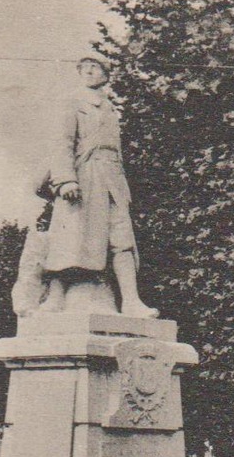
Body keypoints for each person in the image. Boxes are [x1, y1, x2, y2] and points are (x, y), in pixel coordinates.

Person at [14, 56, 158, 318]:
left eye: (96, 67)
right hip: (83, 175)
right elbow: (61, 143)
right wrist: (65, 179)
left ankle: (131, 301)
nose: (90, 71)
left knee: (122, 239)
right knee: (71, 239)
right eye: (85, 67)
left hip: (111, 177)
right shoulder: (73, 102)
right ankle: (55, 298)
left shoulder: (110, 109)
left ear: (106, 74)